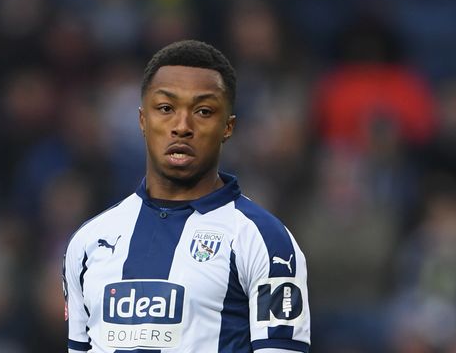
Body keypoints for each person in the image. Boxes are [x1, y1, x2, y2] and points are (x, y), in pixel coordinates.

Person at [63, 40, 311, 352]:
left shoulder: (264, 241)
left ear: (228, 127)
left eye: (203, 111)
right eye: (166, 108)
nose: (182, 126)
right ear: (143, 120)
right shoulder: (88, 243)